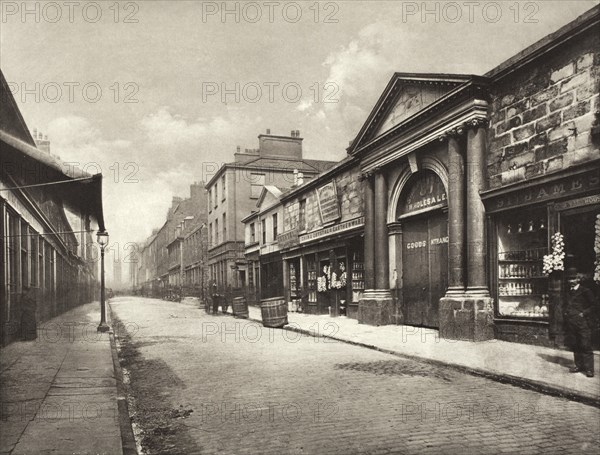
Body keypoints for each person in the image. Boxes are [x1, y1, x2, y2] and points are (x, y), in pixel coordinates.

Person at [565, 268, 597, 378]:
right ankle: (579, 366)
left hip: (583, 323)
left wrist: (584, 313)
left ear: (578, 279)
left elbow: (594, 305)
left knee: (585, 345)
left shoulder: (585, 291)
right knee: (575, 344)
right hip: (572, 322)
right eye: (569, 279)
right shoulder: (568, 291)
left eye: (573, 278)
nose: (571, 281)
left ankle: (589, 369)